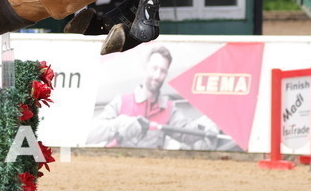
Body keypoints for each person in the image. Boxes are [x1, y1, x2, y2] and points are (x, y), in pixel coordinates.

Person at [87, 46, 219, 149]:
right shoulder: (121, 102)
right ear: (145, 68)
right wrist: (120, 125)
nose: (157, 75)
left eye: (162, 71)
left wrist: (203, 128)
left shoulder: (168, 109)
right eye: (154, 68)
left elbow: (185, 133)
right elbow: (91, 133)